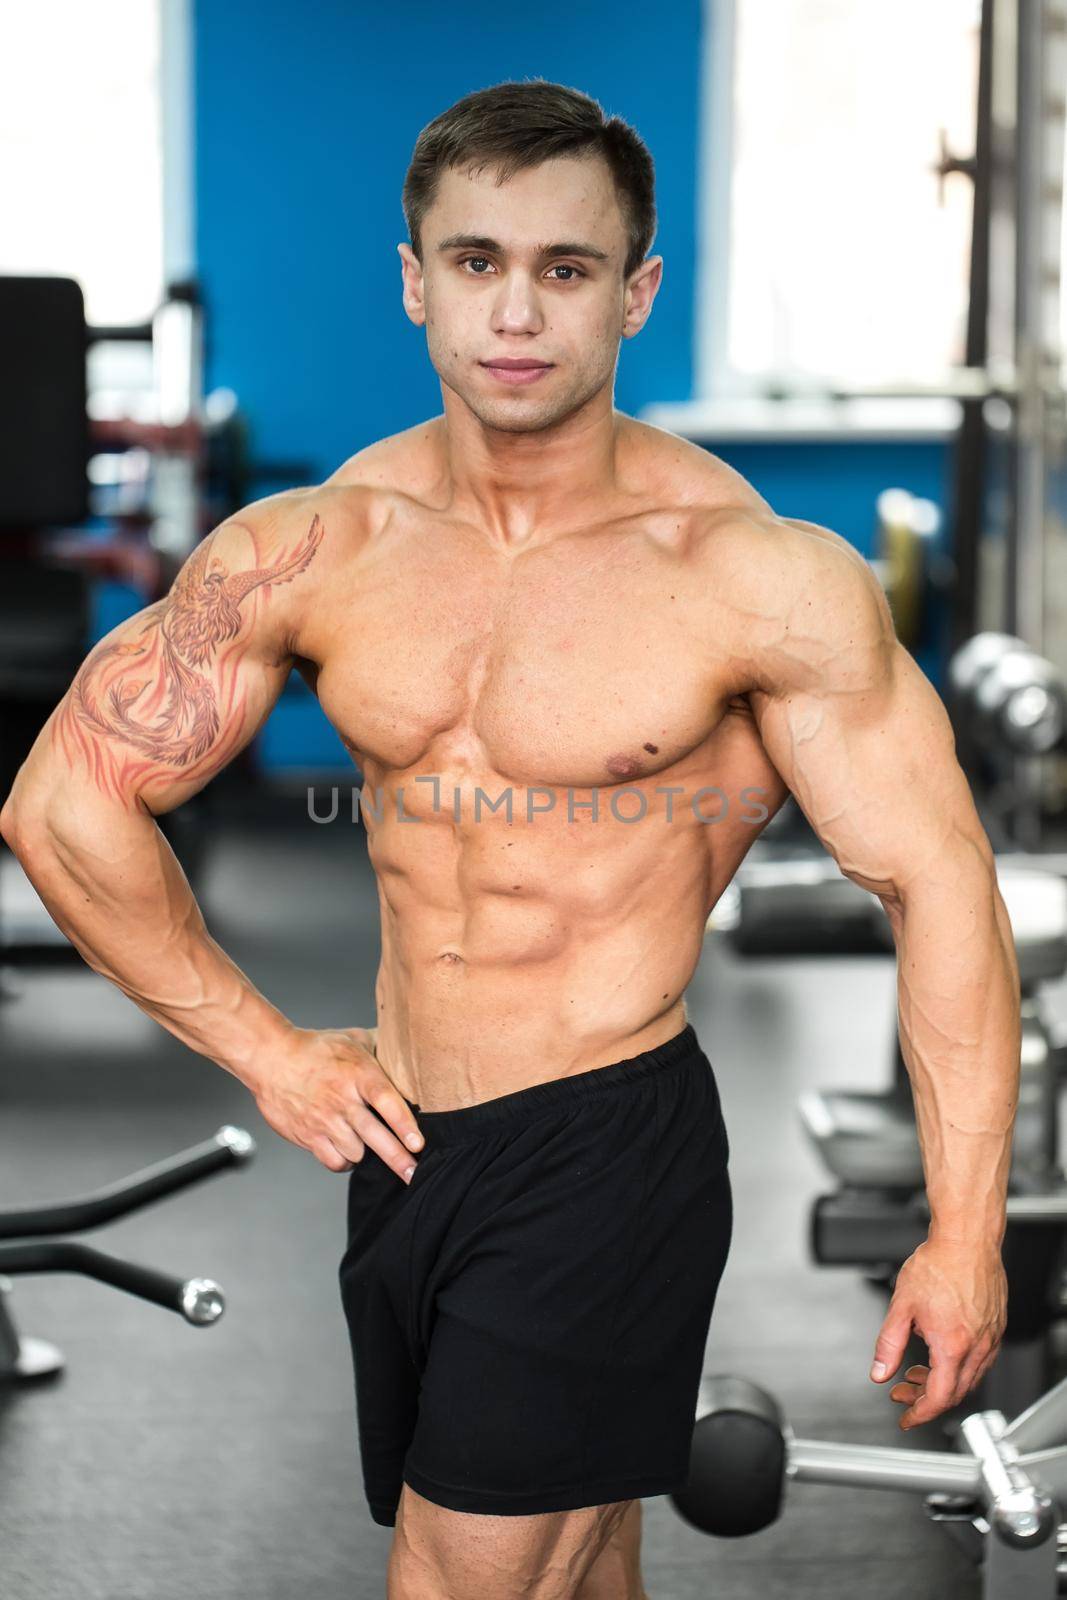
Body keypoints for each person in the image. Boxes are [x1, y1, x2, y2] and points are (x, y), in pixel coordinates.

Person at [1, 79, 1018, 1600]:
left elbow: (938, 883)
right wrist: (273, 1053)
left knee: (465, 1583)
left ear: (636, 292)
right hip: (409, 1151)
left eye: (567, 267)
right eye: (475, 263)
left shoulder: (752, 576)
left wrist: (965, 1230)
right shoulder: (320, 544)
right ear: (417, 283)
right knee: (577, 1572)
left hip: (603, 1146)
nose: (517, 312)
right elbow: (60, 802)